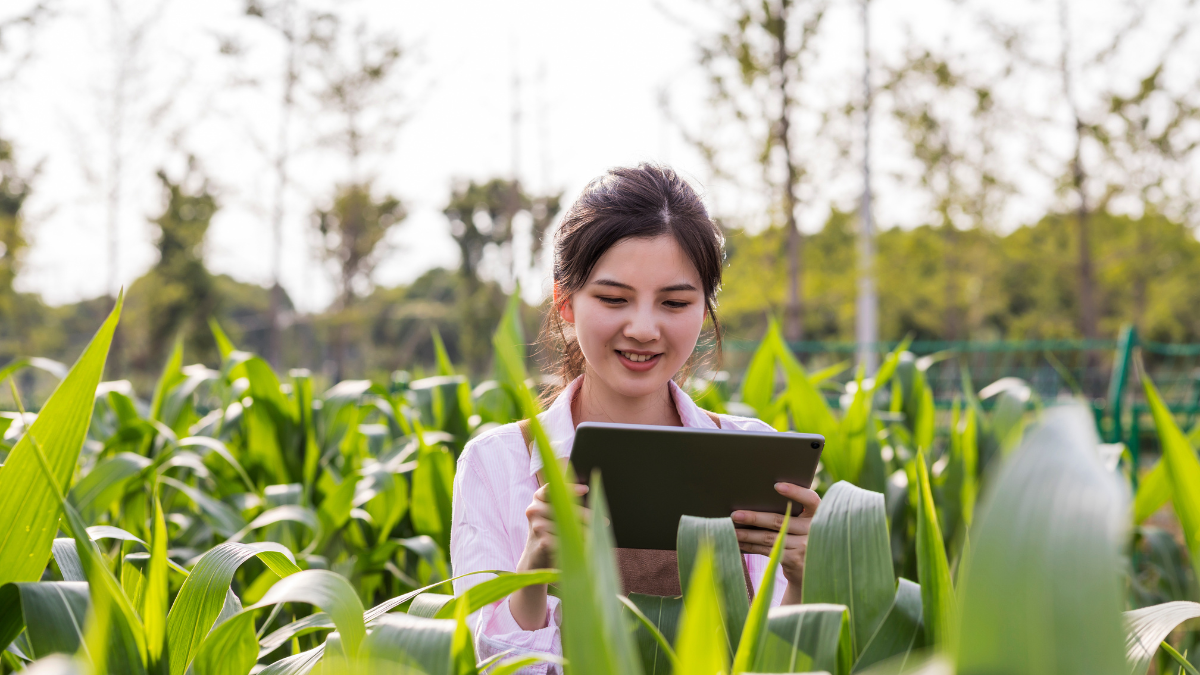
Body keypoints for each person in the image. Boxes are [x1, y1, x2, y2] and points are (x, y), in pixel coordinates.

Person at [449, 164, 820, 670]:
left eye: (674, 302)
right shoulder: (497, 465)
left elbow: (783, 664)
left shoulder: (751, 454)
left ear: (704, 307)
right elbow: (491, 667)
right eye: (613, 298)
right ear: (565, 302)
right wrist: (534, 569)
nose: (643, 328)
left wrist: (804, 577)